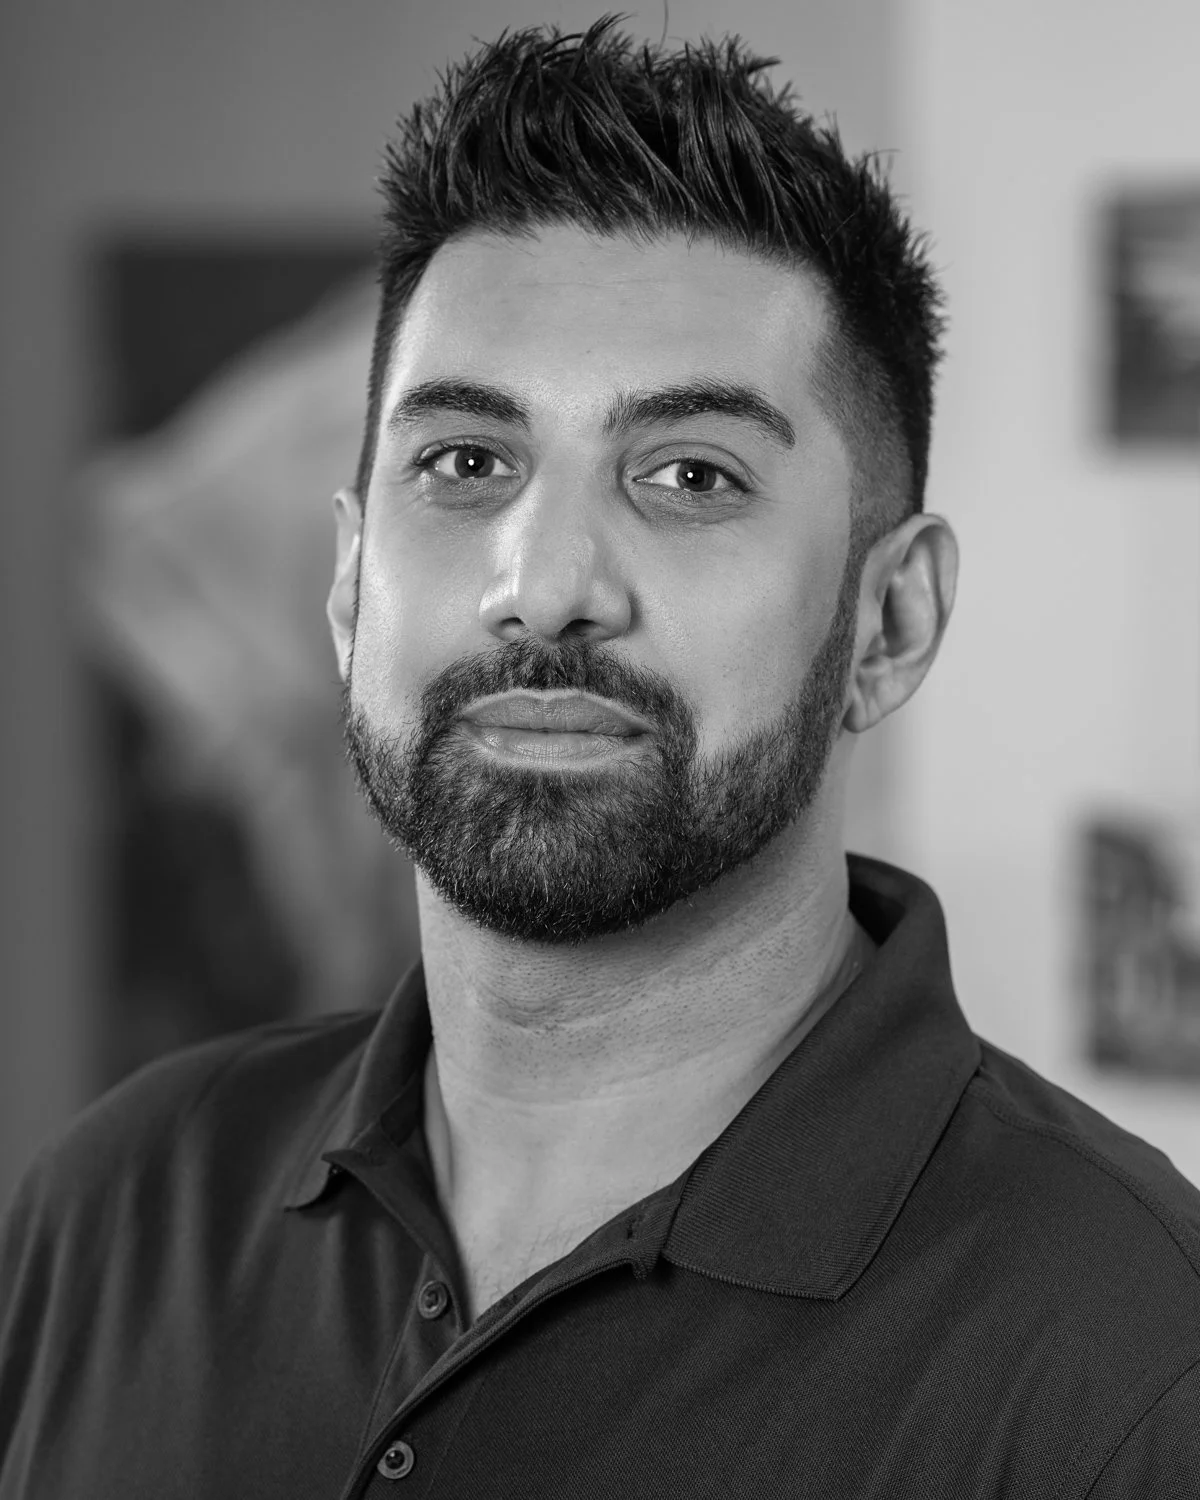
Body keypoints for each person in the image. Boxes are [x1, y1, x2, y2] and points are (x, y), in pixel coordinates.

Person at [2, 16, 1198, 1498]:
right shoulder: (113, 1210)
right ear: (348, 584)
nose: (544, 578)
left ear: (891, 622)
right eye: (466, 463)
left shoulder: (1139, 1368)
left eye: (690, 475)